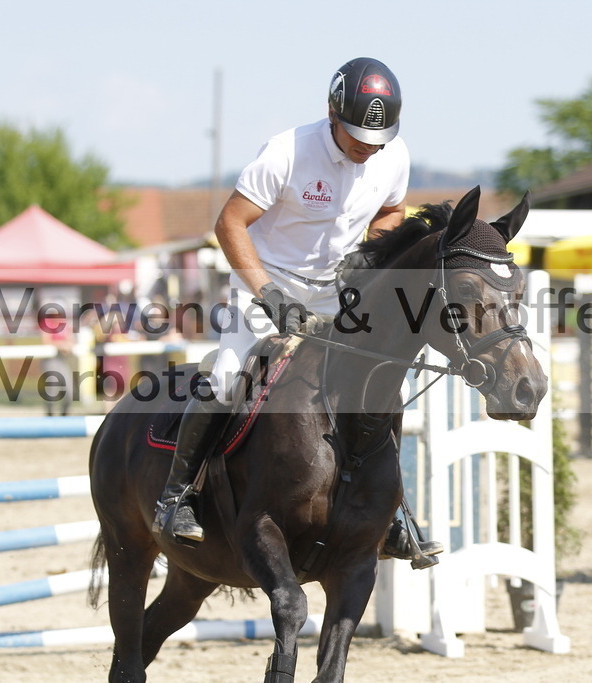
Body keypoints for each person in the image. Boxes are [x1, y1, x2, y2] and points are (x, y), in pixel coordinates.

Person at [152, 57, 443, 565]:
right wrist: (268, 294)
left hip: (336, 292)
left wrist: (369, 252)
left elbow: (392, 209)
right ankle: (176, 497)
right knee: (227, 379)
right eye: (358, 136)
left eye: (376, 139)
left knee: (377, 382)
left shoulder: (393, 155)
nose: (368, 148)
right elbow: (229, 224)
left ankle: (395, 514)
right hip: (267, 284)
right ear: (332, 113)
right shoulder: (286, 152)